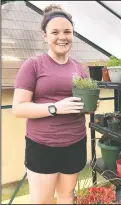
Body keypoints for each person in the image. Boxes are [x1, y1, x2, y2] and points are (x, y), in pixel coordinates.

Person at [12, 4, 100, 204]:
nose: (62, 37)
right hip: (43, 146)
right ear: (45, 36)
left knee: (67, 195)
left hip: (75, 143)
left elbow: (83, 103)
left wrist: (90, 105)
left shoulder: (80, 69)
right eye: (55, 32)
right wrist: (55, 108)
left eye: (67, 31)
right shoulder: (33, 65)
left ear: (73, 34)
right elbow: (18, 108)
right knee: (42, 200)